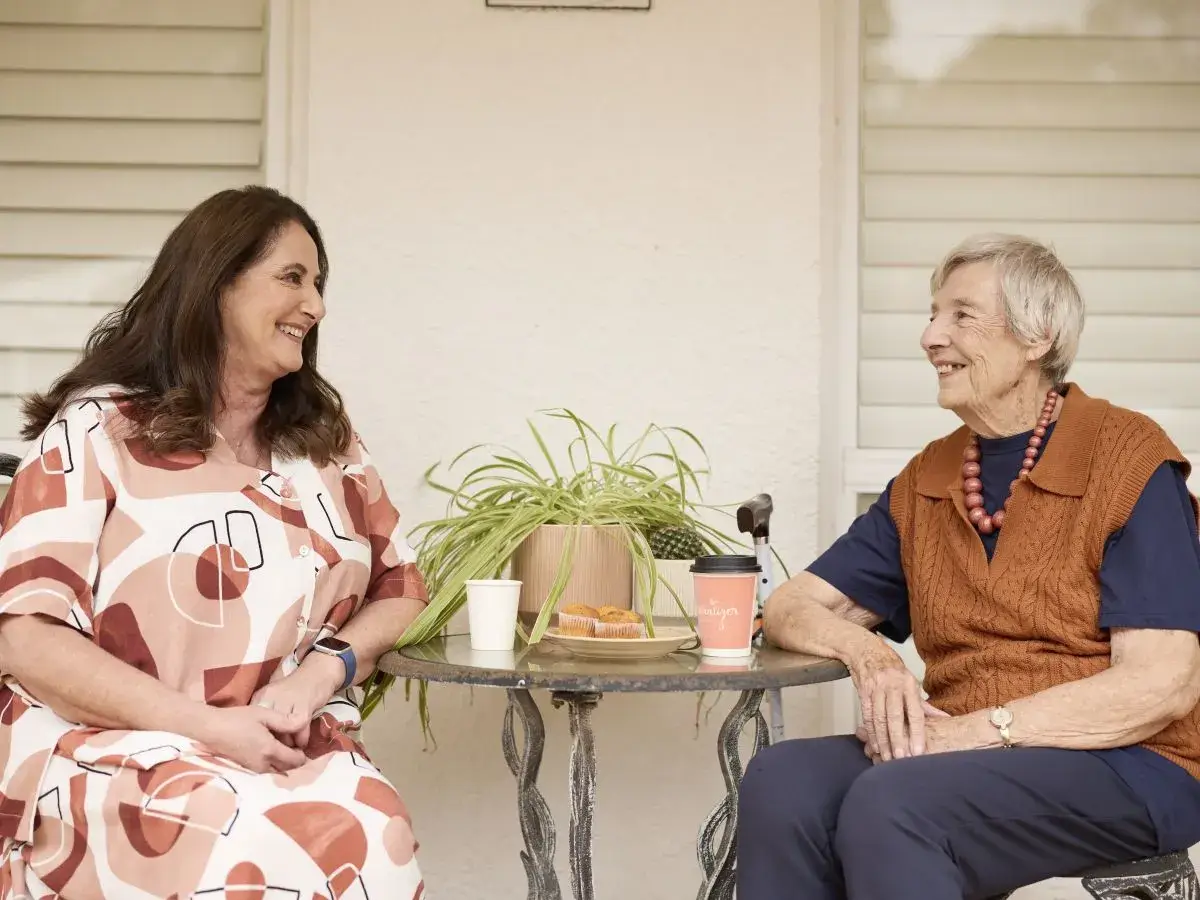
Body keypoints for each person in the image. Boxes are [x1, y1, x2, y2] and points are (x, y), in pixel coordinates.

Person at [737, 233, 1200, 900]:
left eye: (961, 315)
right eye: (932, 315)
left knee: (895, 803)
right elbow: (789, 608)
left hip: (1131, 763)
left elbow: (1162, 685)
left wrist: (977, 733)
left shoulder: (1128, 462)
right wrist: (872, 657)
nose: (931, 336)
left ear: (1036, 336)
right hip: (966, 751)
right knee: (785, 781)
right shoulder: (932, 476)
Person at [0, 187, 428, 899]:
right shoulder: (96, 433)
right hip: (109, 746)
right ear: (216, 283)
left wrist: (317, 677)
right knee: (236, 842)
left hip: (281, 748)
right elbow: (24, 636)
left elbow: (402, 586)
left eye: (318, 284)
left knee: (377, 837)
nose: (316, 305)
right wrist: (205, 727)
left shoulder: (323, 442)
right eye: (292, 278)